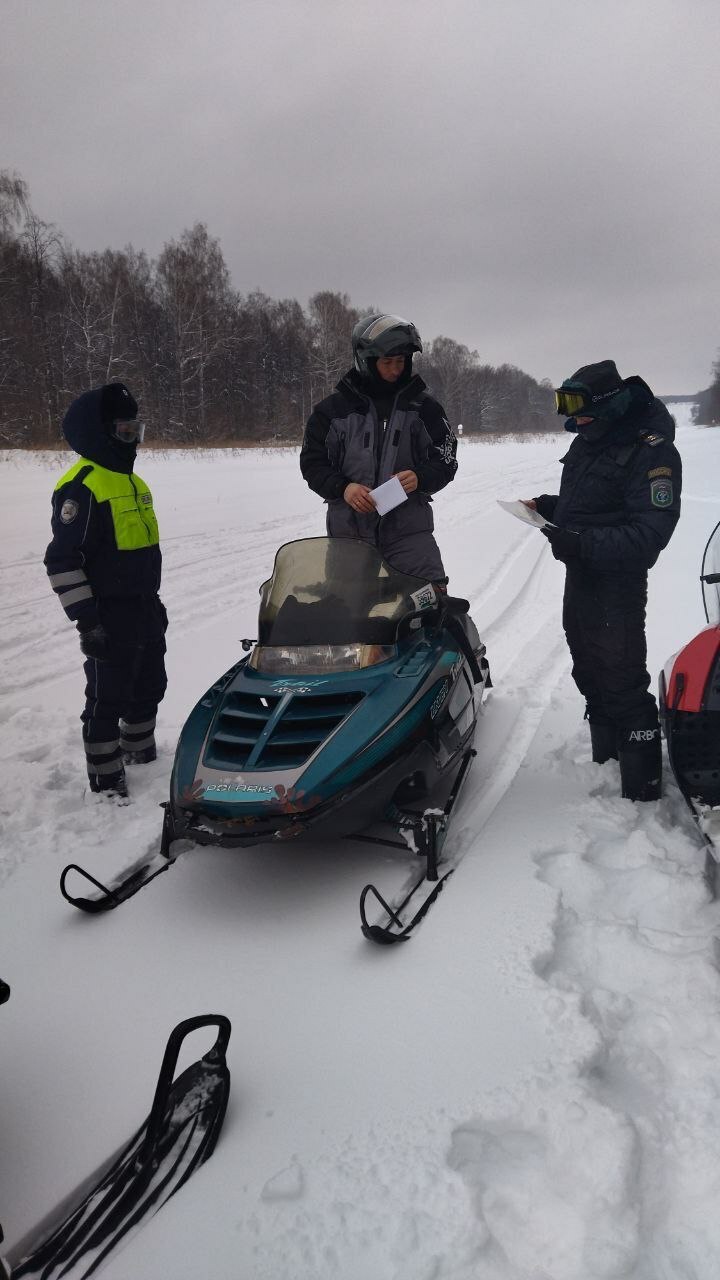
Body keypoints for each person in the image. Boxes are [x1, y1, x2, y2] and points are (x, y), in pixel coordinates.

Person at [525, 359, 681, 801]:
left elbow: (649, 535)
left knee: (622, 679)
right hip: (583, 576)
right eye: (565, 406)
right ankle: (606, 763)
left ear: (609, 405)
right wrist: (548, 507)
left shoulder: (652, 452)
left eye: (578, 407)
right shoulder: (590, 440)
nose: (572, 418)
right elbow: (592, 502)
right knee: (588, 668)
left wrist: (581, 542)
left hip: (618, 584)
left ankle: (642, 790)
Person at [44, 382, 167, 799]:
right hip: (108, 617)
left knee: (151, 685)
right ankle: (106, 778)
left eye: (137, 431)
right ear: (101, 433)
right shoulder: (82, 486)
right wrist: (88, 621)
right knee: (107, 698)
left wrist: (154, 602)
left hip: (145, 609)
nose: (133, 440)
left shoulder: (135, 482)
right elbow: (62, 561)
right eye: (124, 431)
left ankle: (140, 755)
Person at [300, 313, 457, 583]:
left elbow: (446, 460)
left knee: (429, 607)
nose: (395, 369)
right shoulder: (331, 412)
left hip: (409, 534)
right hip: (349, 536)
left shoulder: (426, 410)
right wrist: (343, 488)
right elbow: (313, 464)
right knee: (345, 614)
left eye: (401, 361)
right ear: (366, 361)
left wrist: (419, 477)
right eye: (387, 362)